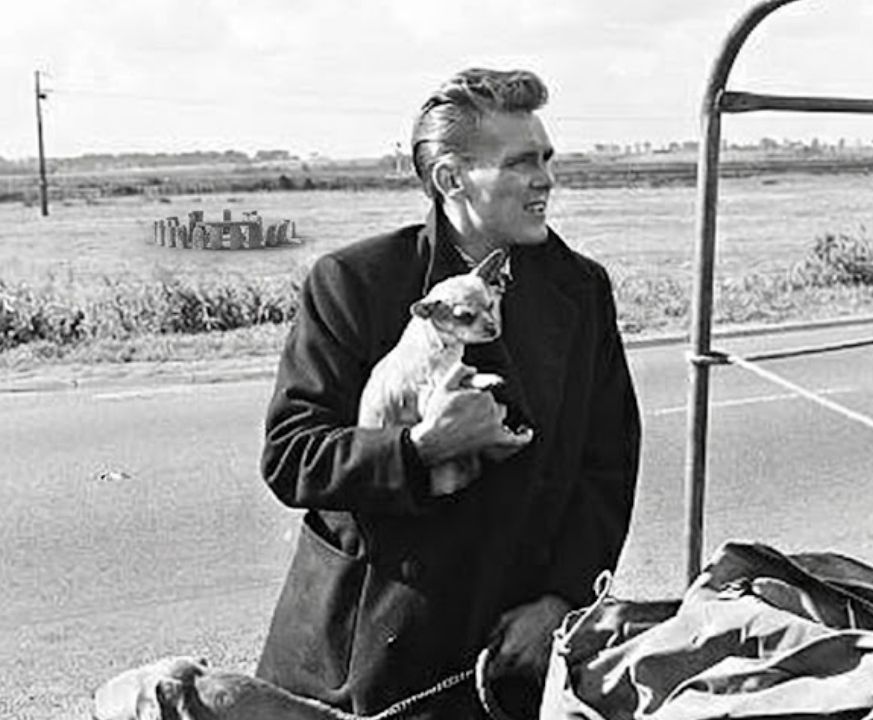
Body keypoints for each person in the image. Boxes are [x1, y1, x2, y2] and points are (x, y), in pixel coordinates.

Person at [255, 68, 642, 718]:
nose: (546, 179)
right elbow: (292, 456)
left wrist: (562, 601)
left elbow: (608, 463)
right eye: (521, 162)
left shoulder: (580, 289)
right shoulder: (355, 281)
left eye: (546, 158)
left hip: (510, 655)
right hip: (368, 661)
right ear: (450, 179)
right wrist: (418, 448)